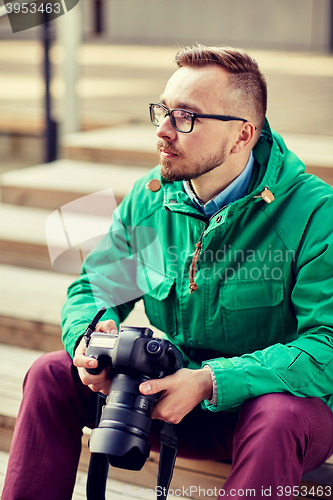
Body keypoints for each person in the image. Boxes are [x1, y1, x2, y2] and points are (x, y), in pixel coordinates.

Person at [3, 44, 333, 500]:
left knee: (276, 414)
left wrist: (211, 381)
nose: (162, 130)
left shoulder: (316, 213)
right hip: (169, 399)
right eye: (162, 110)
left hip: (269, 418)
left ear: (242, 135)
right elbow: (96, 288)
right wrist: (91, 342)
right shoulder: (151, 197)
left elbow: (327, 346)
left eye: (186, 116)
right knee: (50, 374)